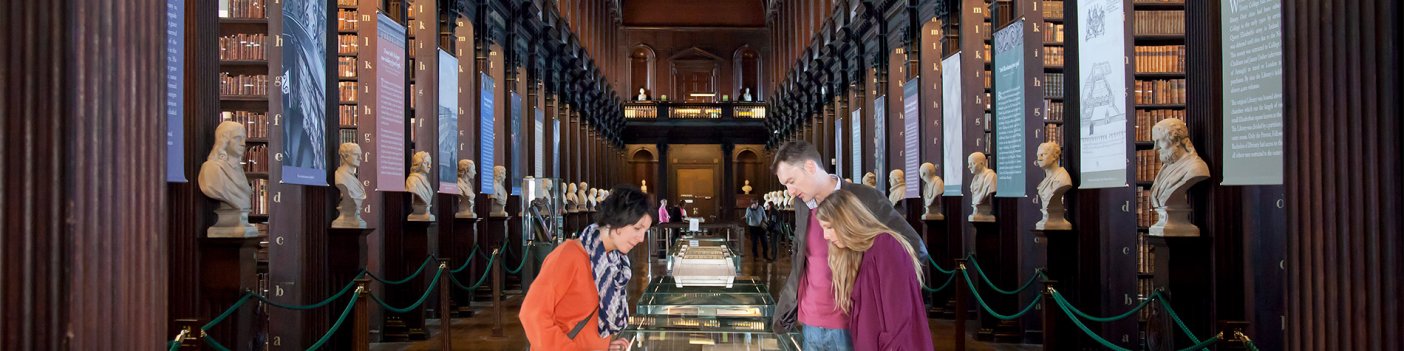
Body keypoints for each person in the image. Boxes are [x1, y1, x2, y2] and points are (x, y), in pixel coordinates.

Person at [769, 141, 926, 350]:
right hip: (810, 321)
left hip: (850, 323)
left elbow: (913, 248)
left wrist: (872, 295)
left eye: (791, 181)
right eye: (785, 185)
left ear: (809, 167)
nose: (790, 191)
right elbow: (800, 252)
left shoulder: (865, 198)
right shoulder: (801, 204)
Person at [521, 185, 654, 351]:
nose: (641, 239)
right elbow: (532, 314)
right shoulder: (569, 255)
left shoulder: (614, 263)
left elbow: (584, 321)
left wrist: (602, 345)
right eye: (637, 229)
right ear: (618, 220)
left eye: (645, 232)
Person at [815, 189, 934, 350]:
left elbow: (899, 318)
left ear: (847, 221)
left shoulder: (886, 245)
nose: (825, 236)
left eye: (829, 227)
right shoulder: (859, 253)